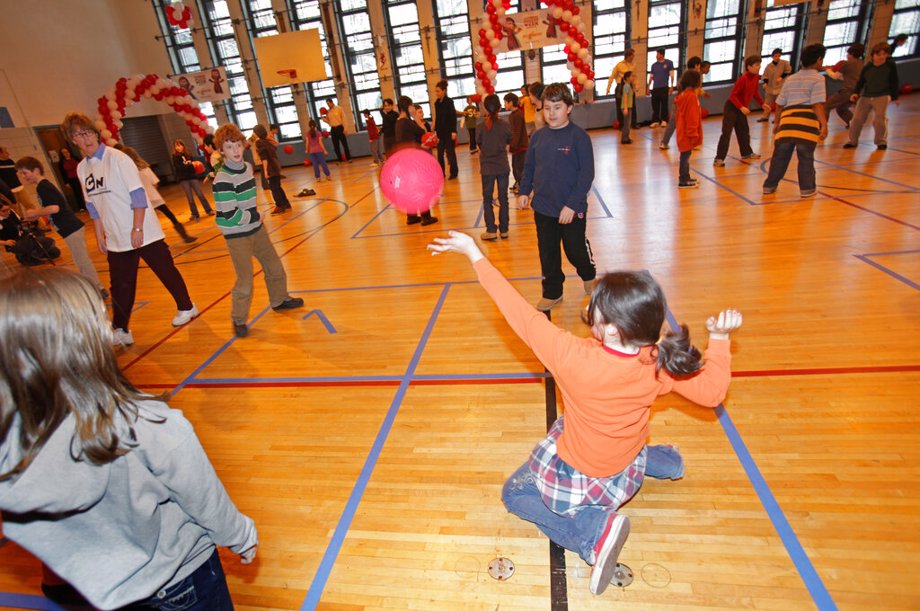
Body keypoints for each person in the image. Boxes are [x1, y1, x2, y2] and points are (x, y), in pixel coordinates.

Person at [426, 230, 743, 597]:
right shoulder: (660, 361)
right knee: (614, 431)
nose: (591, 307)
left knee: (515, 493)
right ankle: (666, 462)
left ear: (610, 329)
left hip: (586, 470)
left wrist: (474, 254)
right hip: (626, 459)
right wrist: (719, 340)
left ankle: (592, 533)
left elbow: (517, 312)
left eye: (598, 306)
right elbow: (713, 393)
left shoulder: (569, 355)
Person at [0, 267, 258, 610]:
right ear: (85, 341)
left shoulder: (13, 443)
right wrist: (240, 536)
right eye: (102, 321)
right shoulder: (150, 424)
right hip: (179, 579)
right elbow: (203, 498)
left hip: (104, 590)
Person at [61, 112, 197, 347]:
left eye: (88, 131)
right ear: (73, 140)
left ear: (95, 133)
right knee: (121, 285)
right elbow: (93, 205)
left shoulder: (118, 159)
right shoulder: (83, 168)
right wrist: (99, 233)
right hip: (116, 237)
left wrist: (136, 228)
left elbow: (138, 196)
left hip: (143, 231)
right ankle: (121, 329)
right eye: (78, 134)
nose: (86, 138)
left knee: (165, 271)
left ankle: (187, 306)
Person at [212, 123, 305, 338]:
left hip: (255, 228)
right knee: (245, 280)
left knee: (274, 266)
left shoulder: (246, 167)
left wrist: (255, 219)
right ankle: (238, 319)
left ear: (243, 145)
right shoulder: (223, 180)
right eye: (229, 147)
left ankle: (279, 300)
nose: (235, 150)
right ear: (221, 151)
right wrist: (256, 216)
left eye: (237, 145)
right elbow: (230, 215)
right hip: (237, 234)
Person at [516, 83, 595, 311]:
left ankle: (589, 275)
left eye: (557, 107)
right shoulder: (538, 137)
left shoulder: (579, 138)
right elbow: (529, 168)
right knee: (547, 253)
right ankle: (553, 292)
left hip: (572, 208)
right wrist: (524, 191)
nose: (551, 113)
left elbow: (586, 175)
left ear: (569, 108)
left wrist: (572, 205)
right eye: (547, 108)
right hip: (543, 208)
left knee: (574, 249)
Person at [14, 156, 107, 291]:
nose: (23, 177)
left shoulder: (43, 187)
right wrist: (38, 215)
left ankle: (98, 289)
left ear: (35, 170)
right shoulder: (43, 186)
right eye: (21, 174)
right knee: (80, 260)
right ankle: (95, 287)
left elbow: (54, 208)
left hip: (70, 227)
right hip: (69, 228)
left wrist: (35, 212)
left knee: (82, 260)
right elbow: (54, 209)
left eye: (25, 173)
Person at [762, 44, 828, 198]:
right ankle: (807, 189)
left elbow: (779, 104)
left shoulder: (791, 79)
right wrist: (824, 124)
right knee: (805, 156)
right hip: (806, 121)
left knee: (780, 155)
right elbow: (817, 104)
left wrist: (777, 123)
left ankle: (769, 185)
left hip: (788, 120)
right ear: (818, 59)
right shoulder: (818, 78)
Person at [121, 146, 197, 243]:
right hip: (154, 197)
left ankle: (156, 241)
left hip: (142, 200)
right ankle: (185, 236)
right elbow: (155, 183)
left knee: (148, 221)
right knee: (170, 215)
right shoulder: (145, 168)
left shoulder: (127, 172)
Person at [714, 55, 769, 167]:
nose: (758, 67)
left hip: (740, 109)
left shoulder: (755, 78)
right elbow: (733, 96)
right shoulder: (743, 79)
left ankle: (746, 153)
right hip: (732, 108)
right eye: (756, 65)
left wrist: (762, 104)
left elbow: (755, 93)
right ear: (748, 67)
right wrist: (741, 107)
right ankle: (719, 158)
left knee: (744, 132)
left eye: (759, 65)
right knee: (726, 133)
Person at [844, 42, 900, 151]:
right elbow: (861, 81)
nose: (882, 57)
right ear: (873, 55)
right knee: (857, 119)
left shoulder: (890, 66)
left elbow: (894, 81)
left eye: (884, 54)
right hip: (866, 96)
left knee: (879, 119)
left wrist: (895, 96)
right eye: (879, 55)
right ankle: (853, 141)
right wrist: (855, 93)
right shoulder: (868, 67)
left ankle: (881, 142)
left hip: (882, 96)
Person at [395, 95, 438, 226]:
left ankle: (412, 216)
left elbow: (408, 142)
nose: (413, 108)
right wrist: (415, 117)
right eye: (411, 106)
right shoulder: (407, 122)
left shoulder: (398, 123)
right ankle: (426, 217)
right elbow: (423, 131)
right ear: (408, 107)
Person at [477, 94, 512, 241]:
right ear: (499, 107)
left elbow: (479, 144)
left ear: (485, 108)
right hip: (502, 166)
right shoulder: (505, 125)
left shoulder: (480, 127)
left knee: (487, 198)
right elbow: (509, 141)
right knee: (503, 198)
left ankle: (491, 229)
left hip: (487, 168)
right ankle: (504, 230)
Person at [660, 57, 709, 150]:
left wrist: (703, 93)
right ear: (696, 65)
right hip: (682, 103)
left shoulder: (688, 75)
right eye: (699, 65)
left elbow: (696, 89)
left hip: (682, 102)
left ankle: (689, 143)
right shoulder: (692, 76)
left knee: (686, 123)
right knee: (678, 122)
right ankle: (665, 142)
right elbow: (691, 90)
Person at [253, 124, 292, 214]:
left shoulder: (259, 142)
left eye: (254, 132)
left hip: (271, 167)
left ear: (257, 133)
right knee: (277, 186)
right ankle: (286, 203)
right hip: (275, 165)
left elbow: (264, 158)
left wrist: (266, 171)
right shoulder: (266, 141)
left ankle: (280, 206)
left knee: (274, 188)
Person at [172, 138, 214, 220]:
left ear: (183, 146)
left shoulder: (188, 154)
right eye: (176, 146)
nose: (178, 147)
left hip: (192, 177)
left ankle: (209, 210)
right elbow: (179, 167)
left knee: (200, 194)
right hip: (183, 179)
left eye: (179, 145)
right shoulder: (175, 157)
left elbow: (193, 167)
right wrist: (188, 165)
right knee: (190, 197)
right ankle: (194, 213)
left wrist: (189, 165)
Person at [824, 43, 865, 129]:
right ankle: (854, 124)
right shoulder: (862, 64)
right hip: (857, 92)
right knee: (841, 108)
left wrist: (826, 69)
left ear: (852, 53)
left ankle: (822, 127)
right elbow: (846, 78)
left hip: (847, 91)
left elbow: (835, 77)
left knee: (826, 106)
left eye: (848, 53)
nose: (847, 55)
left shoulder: (847, 64)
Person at [674, 70, 703, 189]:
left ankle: (686, 176)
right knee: (685, 157)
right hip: (687, 133)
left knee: (685, 156)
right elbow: (692, 117)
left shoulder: (685, 94)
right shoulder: (690, 96)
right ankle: (683, 179)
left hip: (683, 132)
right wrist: (693, 134)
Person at [433, 79, 459, 180]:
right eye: (436, 91)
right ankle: (441, 173)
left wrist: (454, 131)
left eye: (438, 91)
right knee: (439, 154)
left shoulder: (449, 102)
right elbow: (438, 118)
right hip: (440, 133)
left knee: (450, 153)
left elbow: (453, 117)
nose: (437, 93)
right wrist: (435, 131)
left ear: (444, 91)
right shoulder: (436, 103)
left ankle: (454, 172)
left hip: (449, 132)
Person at [503, 92, 529, 194]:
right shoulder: (512, 115)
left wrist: (512, 145)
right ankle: (518, 183)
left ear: (510, 102)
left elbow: (517, 132)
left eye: (505, 102)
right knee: (515, 167)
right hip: (516, 147)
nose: (504, 105)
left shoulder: (517, 115)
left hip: (520, 147)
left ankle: (523, 187)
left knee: (519, 168)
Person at [606, 48, 637, 131]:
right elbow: (612, 76)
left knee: (632, 105)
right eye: (632, 55)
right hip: (620, 87)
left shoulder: (633, 65)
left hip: (630, 86)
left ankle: (633, 123)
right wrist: (608, 88)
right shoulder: (619, 65)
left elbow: (634, 77)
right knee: (620, 107)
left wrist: (635, 87)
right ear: (628, 56)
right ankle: (622, 125)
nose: (634, 57)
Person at [758, 48, 792, 123]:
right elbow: (765, 75)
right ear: (773, 56)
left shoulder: (784, 63)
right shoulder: (769, 66)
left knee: (779, 103)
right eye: (775, 56)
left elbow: (788, 71)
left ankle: (778, 117)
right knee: (767, 102)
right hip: (770, 87)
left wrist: (781, 77)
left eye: (779, 56)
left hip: (780, 86)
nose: (777, 57)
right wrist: (766, 83)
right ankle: (765, 116)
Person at [647, 48, 676, 127]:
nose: (656, 56)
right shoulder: (654, 65)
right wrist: (648, 87)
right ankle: (655, 121)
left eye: (657, 54)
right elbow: (651, 77)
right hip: (655, 88)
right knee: (655, 105)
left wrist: (672, 86)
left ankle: (664, 120)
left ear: (661, 55)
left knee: (664, 105)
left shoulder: (669, 63)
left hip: (664, 87)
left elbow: (672, 76)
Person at [306, 119, 332, 183]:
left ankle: (318, 178)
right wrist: (324, 150)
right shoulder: (318, 133)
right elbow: (320, 143)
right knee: (323, 164)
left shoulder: (307, 134)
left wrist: (307, 150)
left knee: (315, 165)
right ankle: (328, 176)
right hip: (319, 150)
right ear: (316, 125)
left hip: (312, 151)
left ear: (309, 126)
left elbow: (307, 143)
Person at [619, 72, 636, 144]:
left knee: (628, 124)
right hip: (626, 107)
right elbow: (625, 97)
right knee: (627, 124)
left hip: (629, 107)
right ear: (628, 77)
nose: (633, 77)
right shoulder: (626, 86)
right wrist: (625, 108)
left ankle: (627, 137)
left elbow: (633, 92)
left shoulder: (629, 85)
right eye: (632, 76)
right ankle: (624, 139)